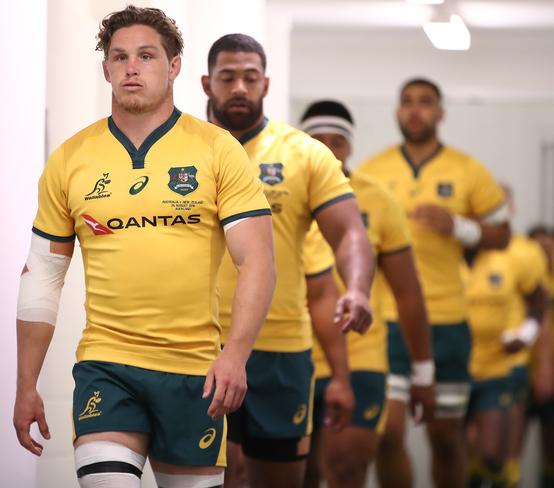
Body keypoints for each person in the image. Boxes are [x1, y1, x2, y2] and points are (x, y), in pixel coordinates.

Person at [12, 7, 276, 488]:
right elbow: (43, 275)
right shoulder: (70, 158)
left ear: (174, 67)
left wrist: (236, 353)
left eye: (146, 55)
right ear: (106, 69)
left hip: (196, 373)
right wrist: (26, 383)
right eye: (120, 57)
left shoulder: (218, 150)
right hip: (107, 367)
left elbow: (256, 259)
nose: (132, 67)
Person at [202, 34, 375, 488]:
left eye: (250, 77)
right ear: (206, 83)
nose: (239, 86)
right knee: (222, 475)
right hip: (199, 345)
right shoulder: (180, 151)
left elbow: (350, 233)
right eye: (228, 77)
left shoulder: (304, 154)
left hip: (280, 353)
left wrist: (357, 287)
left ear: (266, 84)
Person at [359, 77, 511, 488]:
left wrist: (460, 227)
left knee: (445, 437)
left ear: (440, 113)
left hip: (446, 320)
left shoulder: (467, 170)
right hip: (387, 320)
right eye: (407, 101)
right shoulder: (372, 171)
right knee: (387, 433)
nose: (415, 109)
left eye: (425, 102)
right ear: (396, 111)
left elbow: (503, 233)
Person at [299, 100, 435, 488]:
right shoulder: (274, 192)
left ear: (350, 147)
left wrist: (424, 372)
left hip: (361, 354)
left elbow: (408, 291)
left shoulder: (377, 200)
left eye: (337, 141)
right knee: (299, 473)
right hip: (291, 352)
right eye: (316, 141)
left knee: (346, 467)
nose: (327, 150)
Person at [464, 210, 549, 487]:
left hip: (505, 365)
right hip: (460, 364)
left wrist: (525, 337)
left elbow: (540, 306)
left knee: (498, 450)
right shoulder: (453, 251)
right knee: (462, 446)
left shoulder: (521, 254)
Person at [527, 225, 554, 487]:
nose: (545, 255)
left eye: (549, 248)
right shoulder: (526, 282)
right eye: (538, 249)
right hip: (520, 369)